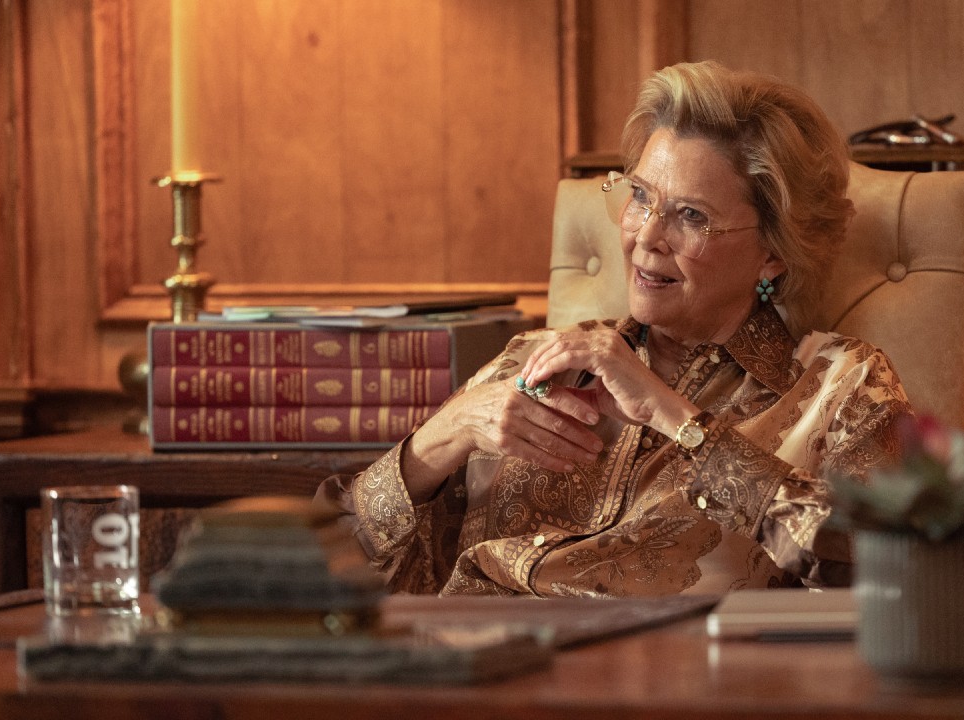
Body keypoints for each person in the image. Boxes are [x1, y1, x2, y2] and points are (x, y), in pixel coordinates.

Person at [315, 60, 912, 596]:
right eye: (640, 198)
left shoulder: (839, 386)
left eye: (691, 216)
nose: (646, 237)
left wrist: (677, 421)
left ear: (773, 253)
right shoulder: (531, 360)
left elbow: (887, 569)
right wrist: (446, 434)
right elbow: (326, 569)